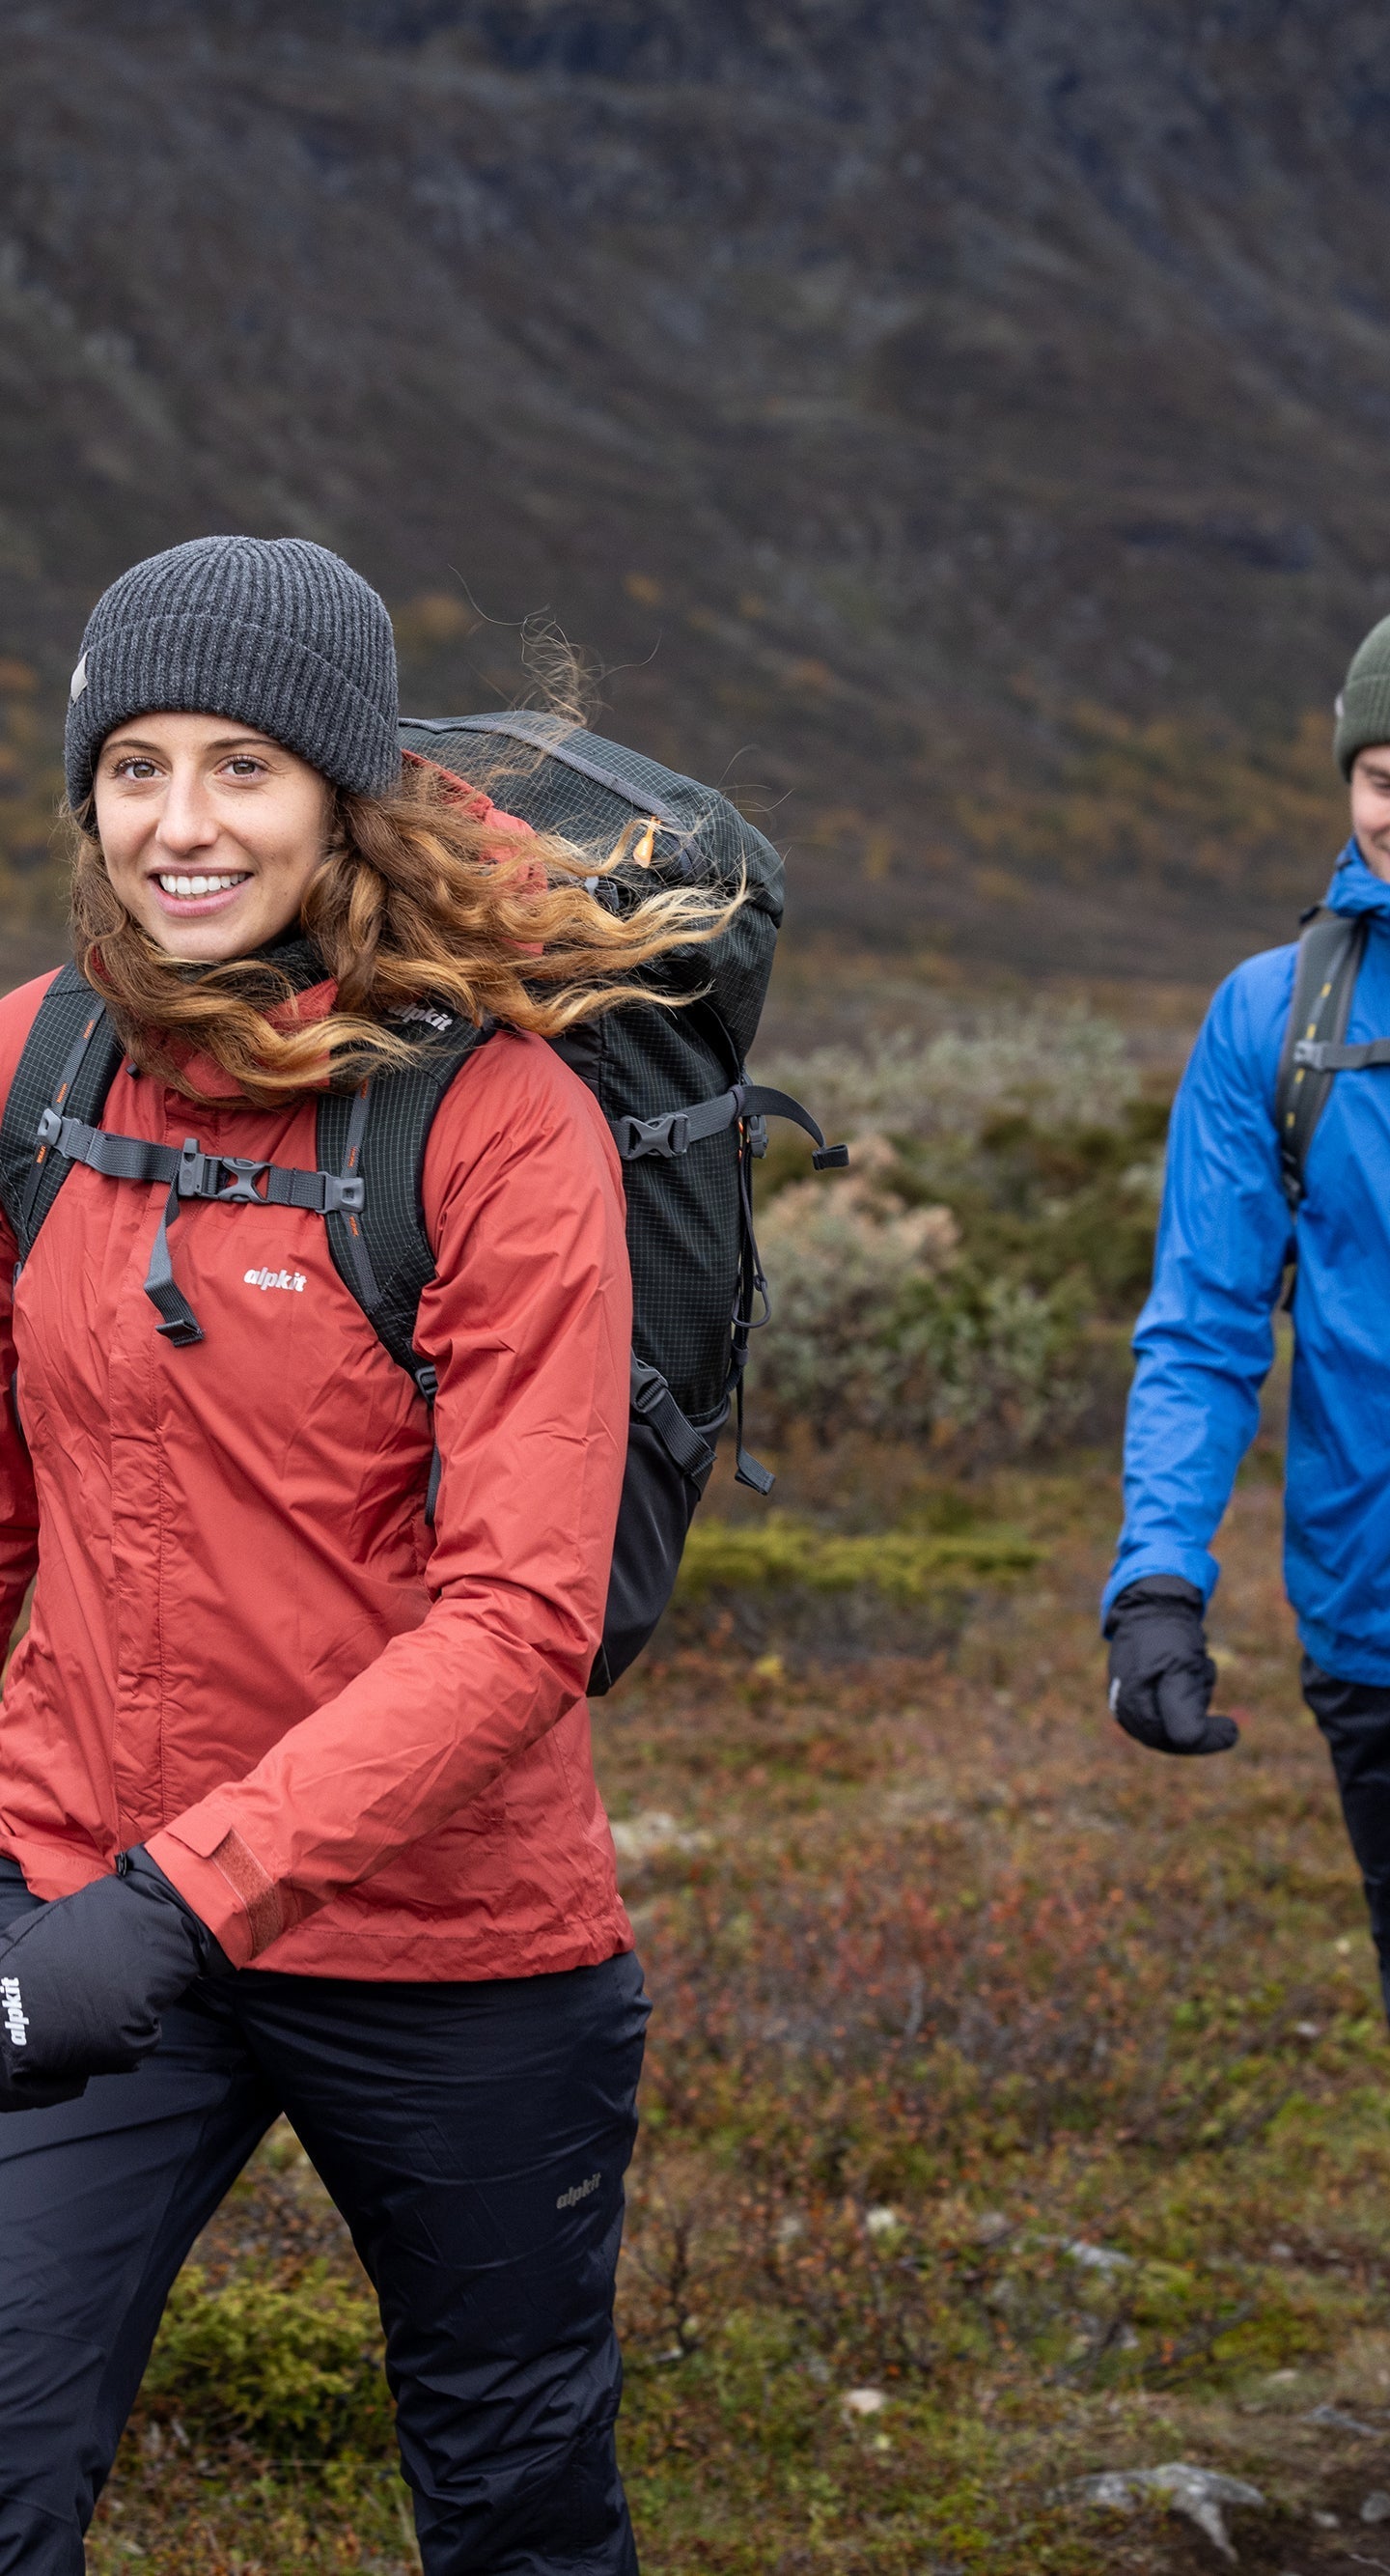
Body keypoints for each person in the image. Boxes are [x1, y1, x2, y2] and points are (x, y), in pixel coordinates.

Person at [0, 534, 721, 2573]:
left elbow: (519, 1618)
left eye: (243, 764)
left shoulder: (496, 1124)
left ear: (339, 794)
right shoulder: (33, 1067)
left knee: (512, 2499)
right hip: (75, 1887)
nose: (182, 821)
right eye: (134, 765)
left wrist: (184, 1894)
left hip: (449, 1941)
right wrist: (78, 1887)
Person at [1106, 612, 1390, 2021]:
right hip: (1373, 1629)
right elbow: (1207, 1330)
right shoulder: (1271, 1022)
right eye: (1384, 773)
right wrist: (1158, 1582)